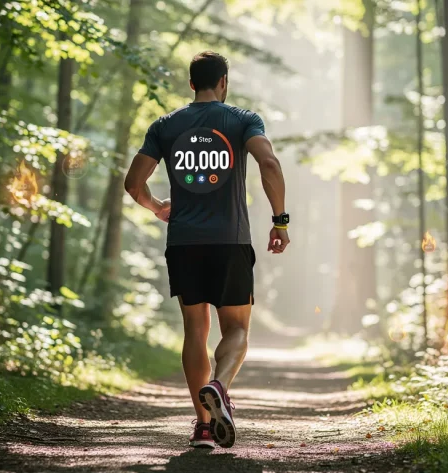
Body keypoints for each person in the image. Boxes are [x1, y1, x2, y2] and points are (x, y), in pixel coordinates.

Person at [124, 51, 289, 449]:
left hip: (183, 242)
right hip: (230, 241)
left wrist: (157, 207)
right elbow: (268, 163)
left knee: (195, 332)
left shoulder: (165, 125)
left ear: (191, 83)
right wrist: (280, 220)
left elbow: (133, 184)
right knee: (237, 329)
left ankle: (202, 427)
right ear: (223, 82)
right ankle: (219, 385)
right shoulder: (243, 119)